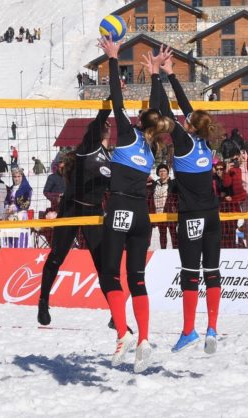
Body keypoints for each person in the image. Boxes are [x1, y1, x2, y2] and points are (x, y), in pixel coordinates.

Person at [97, 37, 174, 373]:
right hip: (143, 215)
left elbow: (116, 98)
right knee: (137, 280)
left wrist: (113, 60)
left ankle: (122, 333)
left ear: (141, 121)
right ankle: (143, 338)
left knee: (110, 275)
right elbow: (157, 112)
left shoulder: (128, 135)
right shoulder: (153, 145)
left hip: (119, 209)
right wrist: (156, 74)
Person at [147, 45, 222, 355]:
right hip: (212, 216)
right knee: (213, 272)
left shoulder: (184, 141)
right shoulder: (206, 142)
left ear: (190, 125)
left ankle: (189, 329)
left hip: (191, 217)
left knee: (190, 274)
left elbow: (163, 111)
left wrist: (155, 76)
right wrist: (171, 75)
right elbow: (187, 107)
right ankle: (213, 328)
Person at [37, 100, 113, 325]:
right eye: (104, 125)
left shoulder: (110, 156)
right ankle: (43, 301)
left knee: (102, 263)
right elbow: (99, 119)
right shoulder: (88, 146)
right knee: (57, 256)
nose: (107, 126)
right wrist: (111, 99)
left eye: (108, 125)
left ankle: (114, 314)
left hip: (94, 212)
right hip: (72, 207)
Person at [148, 163, 178, 249]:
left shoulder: (172, 183)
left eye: (164, 171)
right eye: (160, 171)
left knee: (173, 234)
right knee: (162, 234)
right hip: (158, 213)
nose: (162, 173)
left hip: (170, 213)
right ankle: (163, 251)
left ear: (168, 172)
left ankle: (176, 251)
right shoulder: (154, 184)